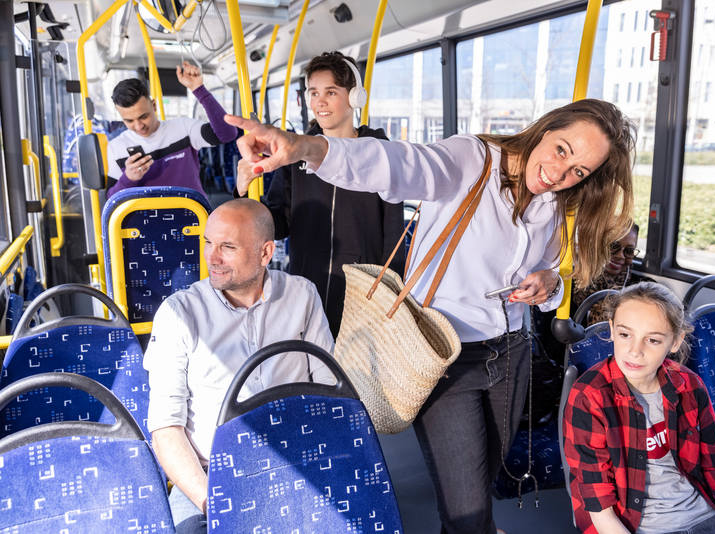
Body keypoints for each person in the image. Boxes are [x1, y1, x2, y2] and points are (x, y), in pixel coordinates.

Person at [225, 97, 636, 534]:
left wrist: (548, 283)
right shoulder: (471, 159)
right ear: (547, 127)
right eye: (561, 150)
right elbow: (394, 164)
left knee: (480, 487)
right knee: (468, 512)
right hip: (443, 358)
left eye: (578, 171)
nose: (559, 174)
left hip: (512, 354)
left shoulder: (559, 202)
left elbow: (555, 272)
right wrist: (305, 147)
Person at [143, 198, 335, 533]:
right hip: (210, 474)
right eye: (207, 243)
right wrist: (213, 504)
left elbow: (329, 395)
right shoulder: (178, 314)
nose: (211, 258)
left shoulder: (303, 296)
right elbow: (165, 429)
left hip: (294, 461)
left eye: (227, 247)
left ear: (265, 253)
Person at [236, 51, 405, 337]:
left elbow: (394, 235)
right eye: (314, 93)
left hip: (363, 289)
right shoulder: (294, 155)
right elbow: (277, 224)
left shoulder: (381, 155)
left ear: (355, 98)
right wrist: (244, 192)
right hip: (306, 283)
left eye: (330, 92)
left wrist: (391, 291)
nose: (320, 102)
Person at [563, 282, 715, 534]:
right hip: (632, 525)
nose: (635, 351)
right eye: (626, 335)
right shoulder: (590, 396)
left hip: (703, 517)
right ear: (612, 329)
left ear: (676, 342)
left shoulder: (689, 386)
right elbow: (599, 504)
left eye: (653, 340)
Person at [106, 61, 237, 198]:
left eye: (143, 116)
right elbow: (110, 198)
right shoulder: (116, 147)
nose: (139, 126)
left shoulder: (183, 128)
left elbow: (227, 134)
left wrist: (199, 89)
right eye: (129, 121)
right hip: (145, 217)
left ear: (154, 105)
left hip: (191, 213)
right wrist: (128, 178)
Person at [572, 223, 656, 325]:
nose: (620, 256)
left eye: (629, 250)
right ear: (597, 244)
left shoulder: (644, 289)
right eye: (613, 246)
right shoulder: (568, 286)